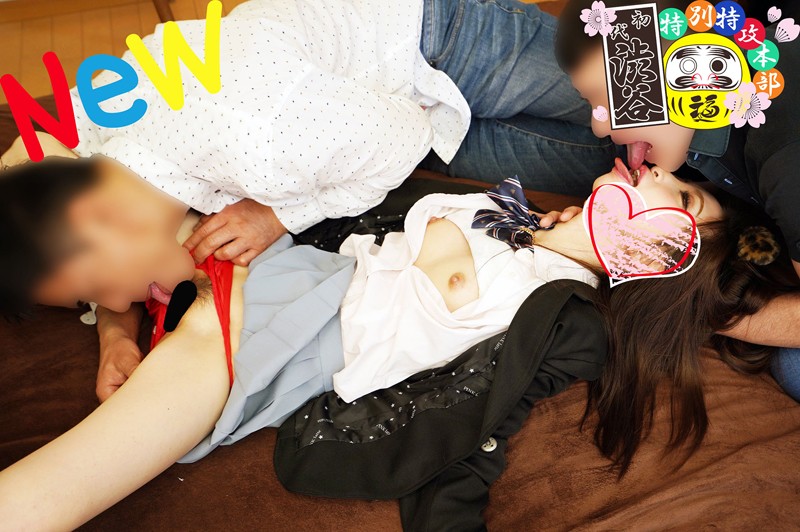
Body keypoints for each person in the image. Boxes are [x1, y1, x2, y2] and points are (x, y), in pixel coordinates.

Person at [4, 142, 777, 528]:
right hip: (277, 263)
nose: (656, 175)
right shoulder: (516, 211)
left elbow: (475, 430)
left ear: (666, 261)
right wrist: (116, 331)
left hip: (275, 339)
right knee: (49, 161)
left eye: (681, 202)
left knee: (52, 491)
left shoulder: (563, 312)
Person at [1, 0, 615, 402]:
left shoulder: (255, 135)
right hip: (370, 119)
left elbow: (404, 134)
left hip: (432, 39)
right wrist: (116, 336)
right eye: (89, 302)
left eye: (96, 288)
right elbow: (28, 174)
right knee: (607, 162)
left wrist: (278, 214)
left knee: (642, 88)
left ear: (94, 215)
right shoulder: (92, 143)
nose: (113, 303)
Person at [548, 0, 800, 400]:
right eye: (592, 102)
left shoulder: (784, 163)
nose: (599, 126)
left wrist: (689, 298)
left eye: (604, 101)